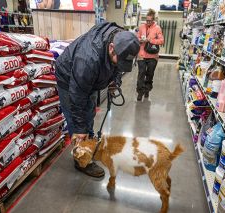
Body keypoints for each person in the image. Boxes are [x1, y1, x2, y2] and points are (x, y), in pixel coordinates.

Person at [55, 22, 140, 178]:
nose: (120, 65)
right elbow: (77, 96)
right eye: (119, 60)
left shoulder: (122, 40)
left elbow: (117, 67)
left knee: (89, 113)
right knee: (77, 121)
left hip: (91, 79)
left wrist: (115, 81)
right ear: (111, 48)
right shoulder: (88, 58)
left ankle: (89, 142)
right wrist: (80, 129)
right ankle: (82, 160)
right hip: (69, 81)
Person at [136, 9, 164, 101]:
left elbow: (161, 41)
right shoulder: (141, 27)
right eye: (146, 20)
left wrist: (150, 40)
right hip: (142, 55)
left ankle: (147, 89)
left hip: (153, 56)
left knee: (150, 74)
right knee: (141, 74)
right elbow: (137, 38)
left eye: (149, 20)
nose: (147, 22)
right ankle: (140, 92)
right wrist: (140, 40)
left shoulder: (157, 28)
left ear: (153, 20)